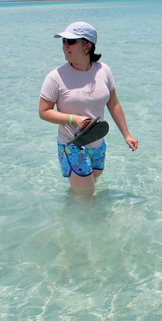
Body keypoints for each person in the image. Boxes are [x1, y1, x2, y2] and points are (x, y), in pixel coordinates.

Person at [39, 21, 138, 193]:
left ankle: (72, 210)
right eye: (63, 41)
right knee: (86, 195)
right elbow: (44, 112)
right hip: (72, 145)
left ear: (87, 45)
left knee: (89, 188)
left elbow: (113, 103)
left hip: (98, 144)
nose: (65, 46)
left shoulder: (104, 70)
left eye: (70, 41)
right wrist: (74, 119)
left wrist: (126, 134)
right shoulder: (55, 77)